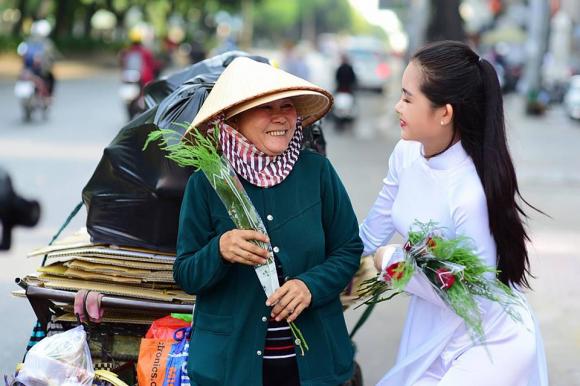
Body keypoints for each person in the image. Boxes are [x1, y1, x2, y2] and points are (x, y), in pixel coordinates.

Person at [359, 41, 548, 385]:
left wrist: (390, 260)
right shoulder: (405, 154)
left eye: (407, 97)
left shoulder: (469, 192)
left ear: (444, 113)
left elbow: (470, 295)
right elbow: (370, 235)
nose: (397, 107)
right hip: (433, 331)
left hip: (491, 341)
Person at [174, 57, 363, 386]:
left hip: (314, 366)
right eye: (265, 107)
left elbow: (348, 249)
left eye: (287, 106)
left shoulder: (317, 173)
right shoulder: (208, 183)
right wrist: (219, 250)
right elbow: (186, 273)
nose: (280, 117)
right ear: (234, 118)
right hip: (231, 368)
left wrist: (310, 286)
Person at [18, 19, 57, 97]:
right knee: (51, 78)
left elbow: (21, 52)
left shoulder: (28, 40)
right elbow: (52, 55)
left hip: (28, 68)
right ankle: (48, 96)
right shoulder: (47, 43)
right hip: (40, 69)